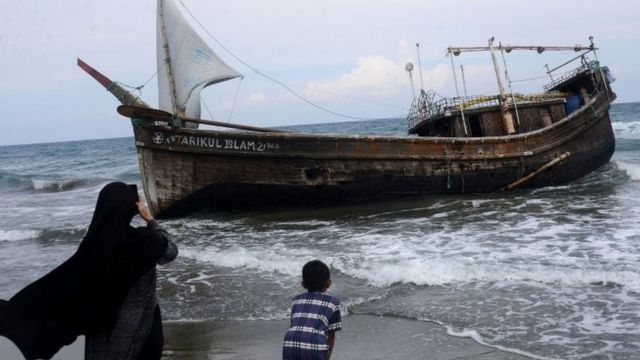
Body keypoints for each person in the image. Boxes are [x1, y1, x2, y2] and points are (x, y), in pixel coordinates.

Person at [0, 182, 178, 360]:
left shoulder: (93, 246)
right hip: (142, 328)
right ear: (131, 208)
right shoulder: (147, 242)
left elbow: (65, 285)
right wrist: (150, 220)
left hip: (102, 334)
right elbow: (171, 251)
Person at [283, 260, 341, 360]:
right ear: (328, 283)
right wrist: (327, 357)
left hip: (289, 344)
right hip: (315, 346)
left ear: (303, 284)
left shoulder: (296, 300)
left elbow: (294, 325)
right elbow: (331, 334)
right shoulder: (333, 302)